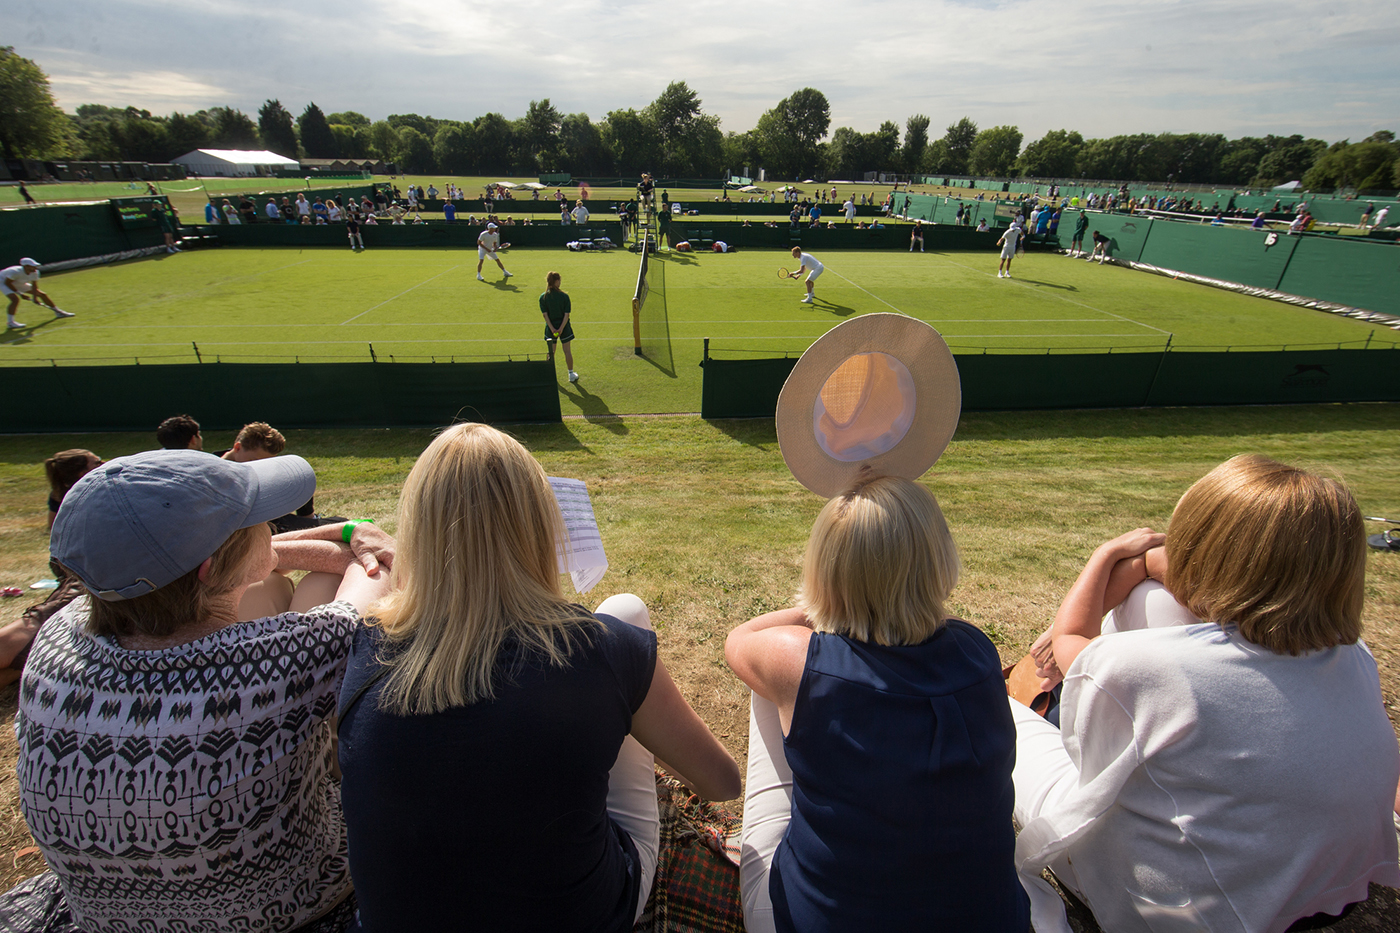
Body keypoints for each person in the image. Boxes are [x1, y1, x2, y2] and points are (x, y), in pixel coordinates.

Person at [337, 424, 739, 932]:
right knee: (627, 610)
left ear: (417, 532)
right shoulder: (605, 648)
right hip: (586, 914)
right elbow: (721, 783)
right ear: (538, 522)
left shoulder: (361, 646)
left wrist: (349, 532)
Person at [1011, 455, 1400, 933]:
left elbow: (1070, 635)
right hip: (1334, 894)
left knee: (1005, 714)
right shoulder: (1355, 653)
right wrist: (1153, 564)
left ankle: (1032, 707)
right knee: (1149, 600)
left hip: (1185, 912)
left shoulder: (1153, 668)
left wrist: (1108, 554)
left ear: (1200, 547)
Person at [15, 449, 395, 931]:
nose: (272, 528)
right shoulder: (275, 663)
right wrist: (352, 533)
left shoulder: (57, 638)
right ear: (209, 568)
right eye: (258, 522)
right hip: (294, 913)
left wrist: (318, 537)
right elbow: (374, 569)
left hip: (101, 916)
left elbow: (229, 567)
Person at [727, 476, 1028, 933]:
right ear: (940, 561)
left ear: (824, 568)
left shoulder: (801, 662)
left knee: (768, 674)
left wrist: (832, 600)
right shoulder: (979, 652)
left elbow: (740, 640)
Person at [3, 257, 72, 329]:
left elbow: (34, 285)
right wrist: (20, 294)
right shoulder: (14, 272)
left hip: (17, 282)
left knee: (42, 295)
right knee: (15, 300)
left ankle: (58, 312)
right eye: (32, 266)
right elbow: (7, 283)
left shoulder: (35, 272)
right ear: (26, 266)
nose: (35, 267)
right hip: (3, 281)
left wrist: (35, 298)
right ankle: (10, 323)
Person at [539, 270, 578, 383]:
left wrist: (552, 329)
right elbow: (566, 315)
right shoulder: (564, 296)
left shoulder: (543, 297)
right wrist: (561, 328)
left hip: (550, 327)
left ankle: (548, 374)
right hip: (564, 327)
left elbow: (545, 315)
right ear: (556, 281)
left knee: (551, 352)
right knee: (567, 351)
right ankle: (571, 374)